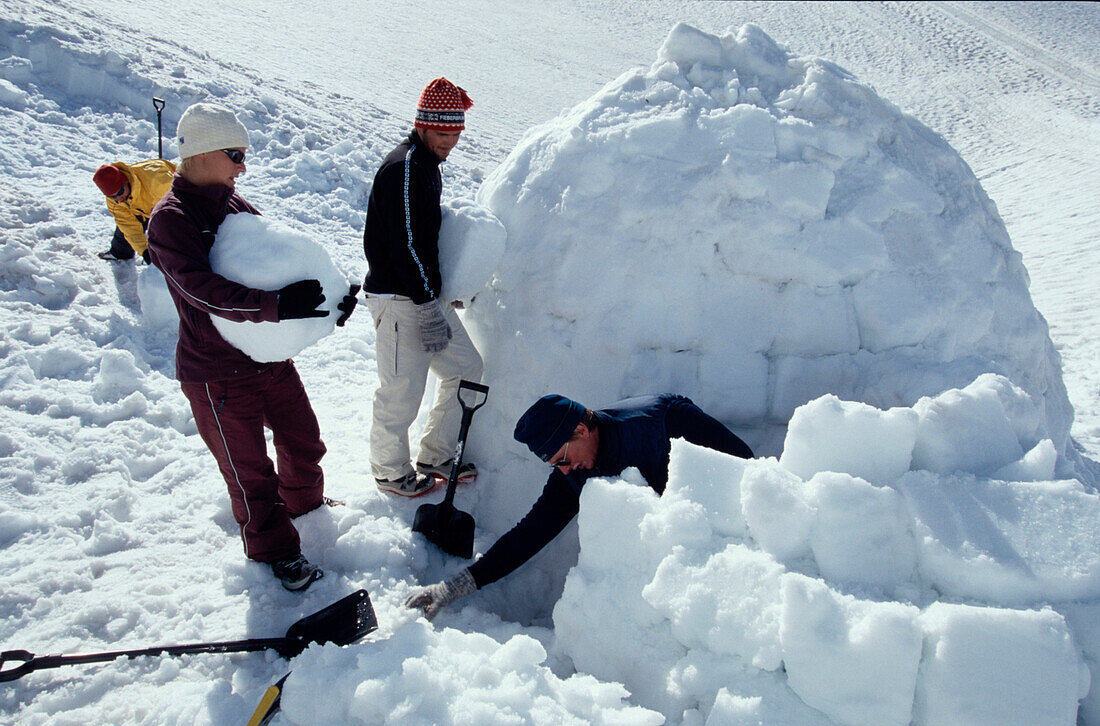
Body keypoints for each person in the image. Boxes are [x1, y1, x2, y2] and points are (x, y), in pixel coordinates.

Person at [146, 102, 358, 592]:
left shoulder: (234, 206)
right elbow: (201, 289)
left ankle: (305, 506)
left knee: (304, 441)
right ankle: (275, 552)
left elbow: (279, 265)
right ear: (200, 153)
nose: (244, 166)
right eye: (235, 154)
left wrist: (329, 302)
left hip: (266, 361)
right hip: (216, 373)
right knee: (250, 473)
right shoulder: (170, 221)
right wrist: (277, 306)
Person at [405, 393, 754, 619]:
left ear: (582, 431)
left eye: (563, 458)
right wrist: (455, 586)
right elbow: (529, 535)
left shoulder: (665, 423)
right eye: (555, 465)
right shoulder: (573, 473)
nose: (564, 470)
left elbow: (747, 467)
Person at [362, 78, 484, 497]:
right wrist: (428, 305)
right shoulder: (405, 169)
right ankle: (389, 472)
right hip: (399, 298)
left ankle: (435, 453)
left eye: (456, 133)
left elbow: (424, 240)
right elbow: (406, 245)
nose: (450, 142)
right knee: (401, 391)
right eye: (442, 133)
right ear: (422, 125)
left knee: (467, 369)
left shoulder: (425, 166)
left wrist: (443, 288)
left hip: (424, 293)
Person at [92, 158, 176, 262]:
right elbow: (128, 226)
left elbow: (182, 203)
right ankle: (121, 253)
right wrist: (145, 250)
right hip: (141, 209)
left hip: (168, 201)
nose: (119, 198)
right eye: (112, 196)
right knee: (124, 229)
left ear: (126, 181)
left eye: (120, 192)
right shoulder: (115, 202)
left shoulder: (158, 182)